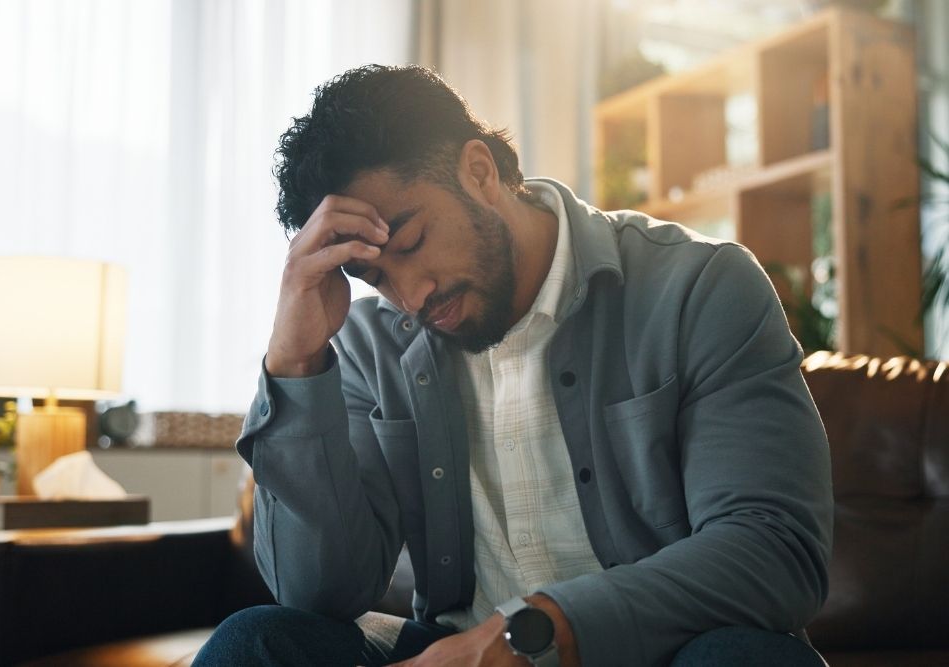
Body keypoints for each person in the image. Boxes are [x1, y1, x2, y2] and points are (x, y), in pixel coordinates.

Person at [194, 64, 833, 667]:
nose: (409, 297)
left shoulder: (699, 287)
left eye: (412, 242)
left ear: (477, 170)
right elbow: (318, 595)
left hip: (651, 651)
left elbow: (773, 548)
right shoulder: (371, 345)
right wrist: (295, 358)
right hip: (455, 649)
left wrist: (532, 636)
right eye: (373, 276)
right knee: (255, 643)